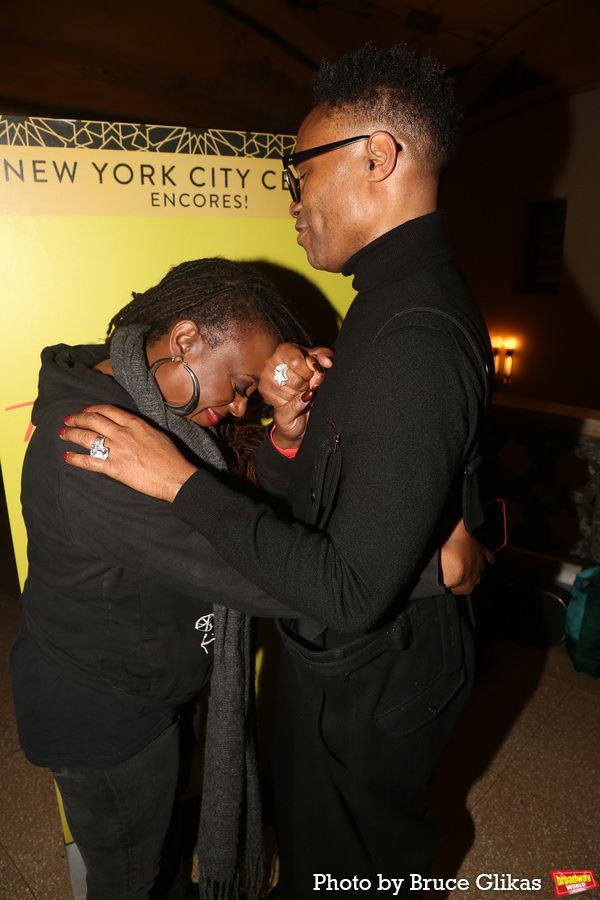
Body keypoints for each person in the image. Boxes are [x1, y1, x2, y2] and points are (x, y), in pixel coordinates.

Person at [60, 44, 494, 899]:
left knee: (352, 872)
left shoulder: (412, 336)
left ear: (378, 156)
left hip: (377, 673)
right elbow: (335, 504)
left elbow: (346, 590)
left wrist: (177, 480)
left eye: (298, 170)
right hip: (344, 662)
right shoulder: (380, 307)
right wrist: (292, 439)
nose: (291, 201)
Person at [10, 258, 319, 900]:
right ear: (183, 340)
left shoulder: (137, 397)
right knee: (131, 878)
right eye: (238, 384)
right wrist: (409, 573)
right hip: (105, 715)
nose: (239, 407)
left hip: (146, 682)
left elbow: (241, 505)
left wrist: (285, 441)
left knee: (161, 855)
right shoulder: (96, 447)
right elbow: (252, 567)